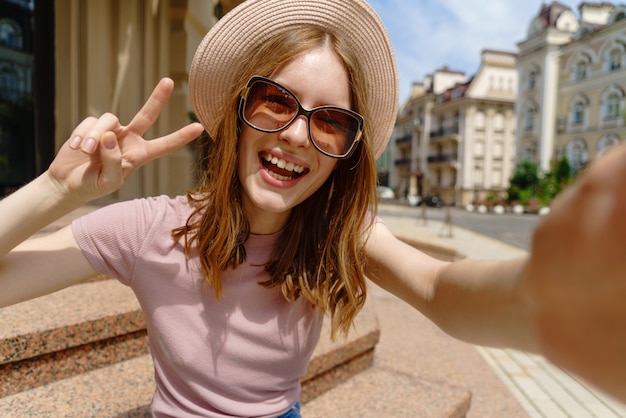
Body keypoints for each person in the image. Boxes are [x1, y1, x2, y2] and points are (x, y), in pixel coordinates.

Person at [1, 0, 626, 416]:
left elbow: (440, 288)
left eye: (329, 121)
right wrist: (57, 192)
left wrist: (549, 294)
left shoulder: (337, 233)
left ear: (344, 150)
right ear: (238, 113)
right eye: (276, 101)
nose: (298, 135)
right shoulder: (151, 228)